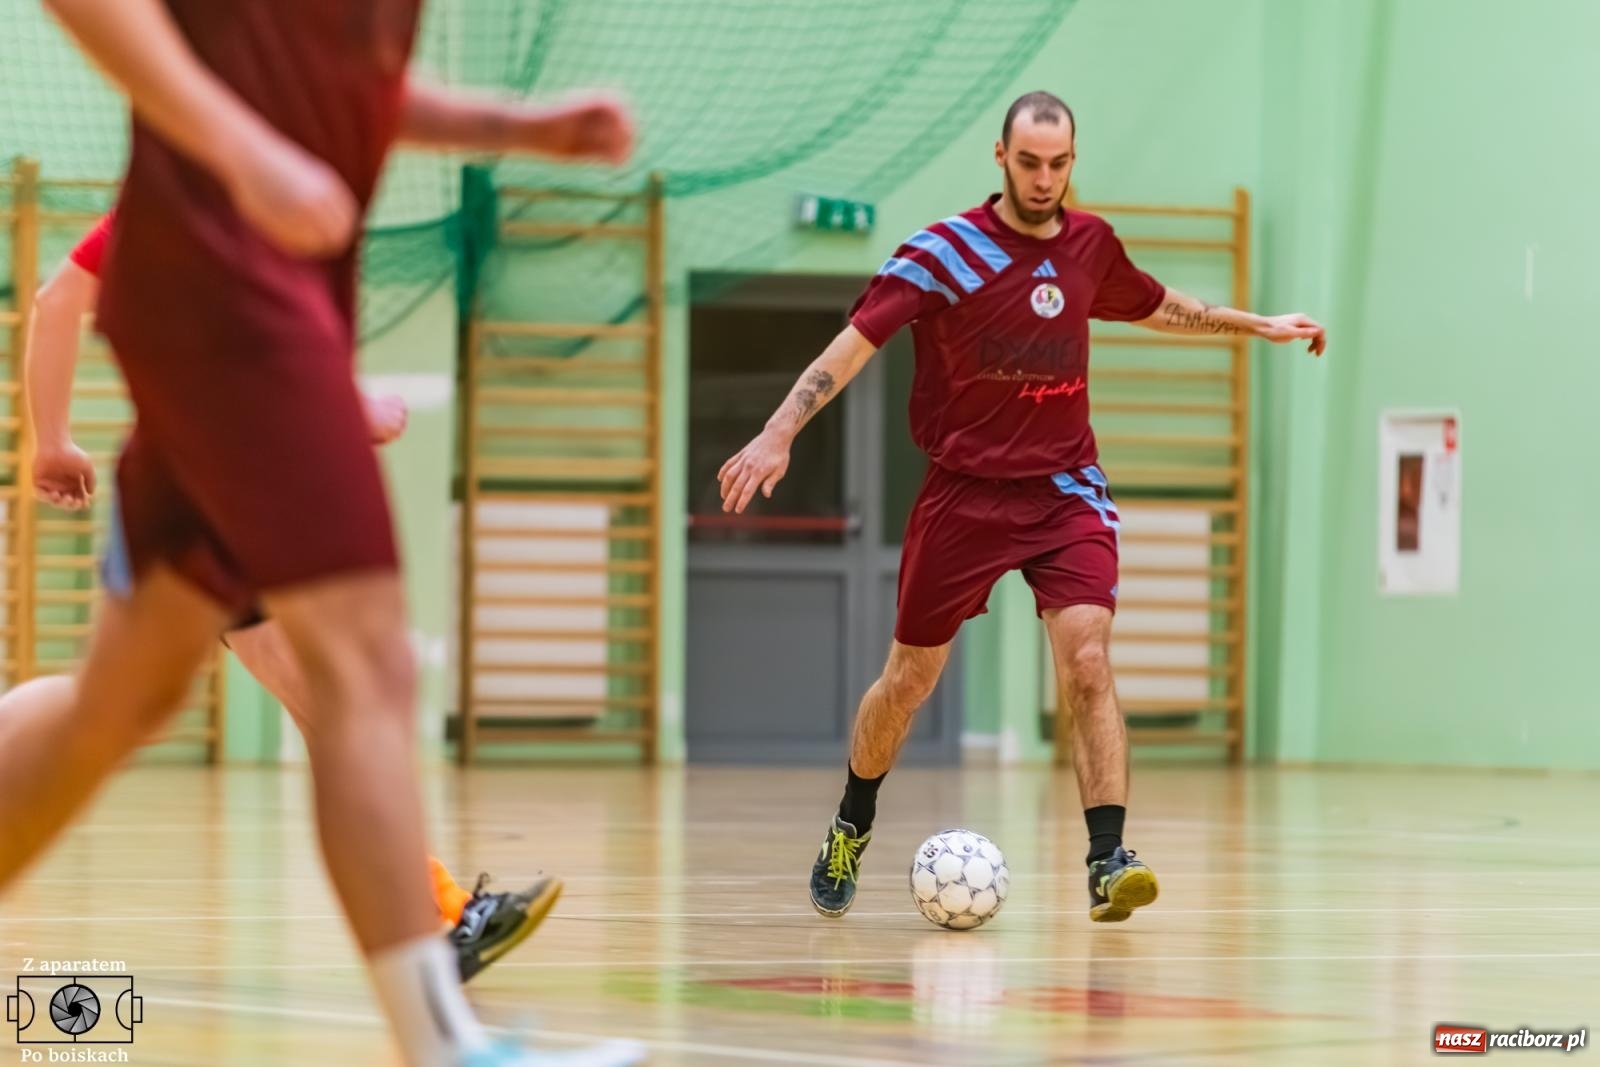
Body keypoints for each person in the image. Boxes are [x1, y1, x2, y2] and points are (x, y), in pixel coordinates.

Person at [4, 1, 643, 1063]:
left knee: (119, 704)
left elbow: (347, 86)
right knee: (364, 666)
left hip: (250, 297)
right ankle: (443, 1040)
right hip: (225, 291)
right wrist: (243, 147)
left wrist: (516, 127)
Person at [717, 91, 1326, 925]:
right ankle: (851, 821)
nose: (1046, 179)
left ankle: (1109, 858)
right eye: (1031, 162)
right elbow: (853, 345)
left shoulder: (1089, 245)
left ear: (1074, 159)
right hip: (964, 493)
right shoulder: (944, 252)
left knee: (1087, 661)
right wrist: (778, 432)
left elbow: (1161, 305)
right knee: (908, 682)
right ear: (1000, 157)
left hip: (1064, 488)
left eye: (1060, 163)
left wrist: (1260, 324)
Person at [10, 210, 555, 984]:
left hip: (202, 491)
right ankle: (435, 925)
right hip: (214, 493)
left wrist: (55, 436)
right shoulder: (224, 200)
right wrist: (344, 412)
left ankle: (435, 924)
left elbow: (61, 299)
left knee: (296, 709)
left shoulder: (185, 193)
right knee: (334, 708)